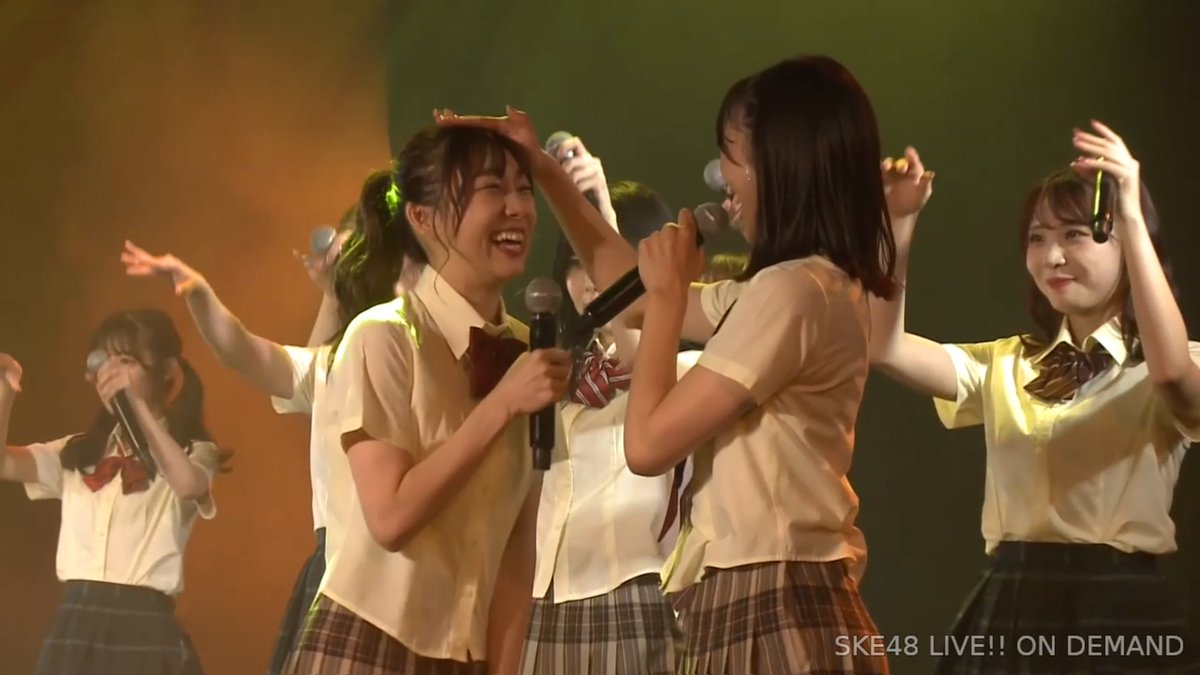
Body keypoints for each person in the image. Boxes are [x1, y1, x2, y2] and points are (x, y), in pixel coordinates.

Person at [437, 52, 896, 674]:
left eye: (732, 156)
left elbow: (649, 444)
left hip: (778, 592)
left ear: (781, 165)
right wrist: (543, 169)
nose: (720, 177)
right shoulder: (797, 287)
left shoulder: (794, 291)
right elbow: (625, 288)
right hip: (755, 590)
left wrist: (670, 294)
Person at [869, 123, 1200, 673]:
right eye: (1038, 238)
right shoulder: (1008, 361)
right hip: (1013, 599)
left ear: (1128, 242)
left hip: (1121, 608)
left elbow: (1171, 376)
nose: (1052, 257)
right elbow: (885, 347)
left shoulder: (1173, 360)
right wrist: (898, 221)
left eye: (1075, 234)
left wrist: (1130, 213)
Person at [282, 124, 571, 675]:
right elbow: (391, 518)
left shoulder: (527, 351)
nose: (516, 208)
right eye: (492, 189)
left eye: (523, 189)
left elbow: (517, 549)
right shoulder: (383, 337)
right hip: (369, 643)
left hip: (468, 656)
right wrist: (501, 406)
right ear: (423, 216)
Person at [121, 172, 416, 675]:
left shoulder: (432, 350)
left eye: (355, 256)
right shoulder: (332, 364)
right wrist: (199, 292)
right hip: (340, 569)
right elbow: (245, 351)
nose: (347, 268)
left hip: (420, 567)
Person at [522, 135, 684, 675]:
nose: (590, 279)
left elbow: (641, 348)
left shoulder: (683, 367)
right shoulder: (554, 373)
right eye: (575, 261)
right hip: (543, 601)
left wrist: (600, 213)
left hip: (636, 594)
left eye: (608, 260)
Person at [0, 309, 227, 675]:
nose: (112, 374)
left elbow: (188, 485)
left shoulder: (194, 452)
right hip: (76, 622)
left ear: (167, 371)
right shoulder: (77, 452)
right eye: (105, 362)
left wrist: (135, 406)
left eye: (127, 361)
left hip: (144, 624)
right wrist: (5, 391)